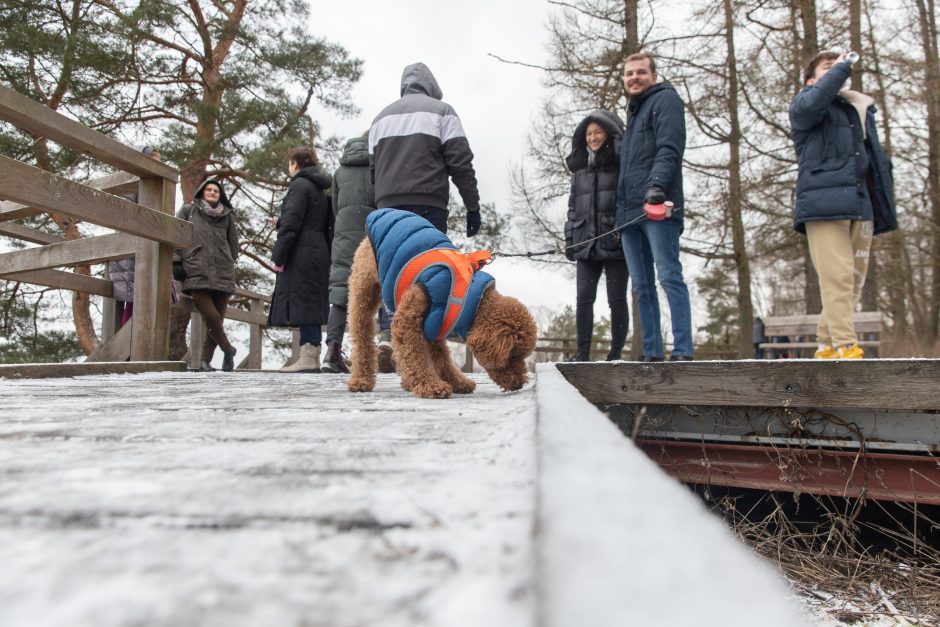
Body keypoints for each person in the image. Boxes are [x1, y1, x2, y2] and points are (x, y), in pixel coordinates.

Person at [368, 62, 484, 370]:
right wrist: (472, 206)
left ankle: (387, 335)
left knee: (391, 270)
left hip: (387, 205)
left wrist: (377, 209)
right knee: (428, 274)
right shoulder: (442, 111)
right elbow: (461, 162)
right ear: (431, 86)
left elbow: (372, 171)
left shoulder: (381, 117)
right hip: (427, 203)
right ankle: (422, 348)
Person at [789, 51, 897, 360]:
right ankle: (846, 344)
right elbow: (812, 104)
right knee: (836, 278)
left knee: (852, 285)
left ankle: (825, 345)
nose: (837, 70)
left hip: (861, 206)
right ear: (811, 79)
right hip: (823, 204)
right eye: (828, 67)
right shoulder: (804, 104)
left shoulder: (858, 109)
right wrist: (843, 66)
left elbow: (873, 160)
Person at [616, 52, 693, 362]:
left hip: (657, 205)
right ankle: (651, 353)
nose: (634, 77)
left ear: (653, 76)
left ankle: (684, 351)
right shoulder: (634, 113)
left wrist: (657, 186)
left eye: (641, 72)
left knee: (669, 276)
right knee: (641, 286)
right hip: (629, 213)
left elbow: (670, 147)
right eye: (629, 73)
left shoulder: (666, 100)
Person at [563, 110, 629, 362]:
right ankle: (582, 353)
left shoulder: (620, 164)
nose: (593, 137)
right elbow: (572, 207)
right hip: (585, 242)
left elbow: (625, 200)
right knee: (583, 299)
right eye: (589, 133)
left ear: (608, 134)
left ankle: (616, 353)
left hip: (615, 241)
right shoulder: (580, 170)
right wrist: (570, 238)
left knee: (617, 299)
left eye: (598, 132)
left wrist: (620, 231)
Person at [268, 147, 333, 373]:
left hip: (302, 252)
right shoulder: (320, 189)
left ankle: (307, 357)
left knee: (304, 302)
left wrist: (279, 256)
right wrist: (281, 222)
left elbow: (292, 226)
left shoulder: (299, 185)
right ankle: (312, 356)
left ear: (295, 163)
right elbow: (313, 222)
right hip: (319, 250)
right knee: (312, 301)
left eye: (289, 163)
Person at [324, 134, 376, 373]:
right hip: (370, 236)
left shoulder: (339, 173)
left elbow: (335, 208)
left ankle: (332, 350)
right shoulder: (377, 167)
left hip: (343, 237)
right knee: (376, 290)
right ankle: (379, 346)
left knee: (340, 294)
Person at [176, 179, 239, 372]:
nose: (212, 192)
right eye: (209, 189)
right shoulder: (188, 210)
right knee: (211, 316)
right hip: (196, 269)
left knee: (217, 320)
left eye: (216, 191)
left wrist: (228, 259)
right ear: (202, 192)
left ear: (221, 195)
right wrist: (176, 262)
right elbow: (175, 235)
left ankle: (205, 360)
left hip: (222, 271)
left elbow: (233, 245)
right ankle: (228, 349)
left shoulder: (227, 216)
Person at [108, 146, 163, 328]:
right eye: (154, 160)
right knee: (134, 301)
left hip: (148, 248)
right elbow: (124, 215)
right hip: (131, 249)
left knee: (144, 302)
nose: (158, 165)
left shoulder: (158, 189)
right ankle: (127, 350)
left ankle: (131, 349)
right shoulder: (130, 186)